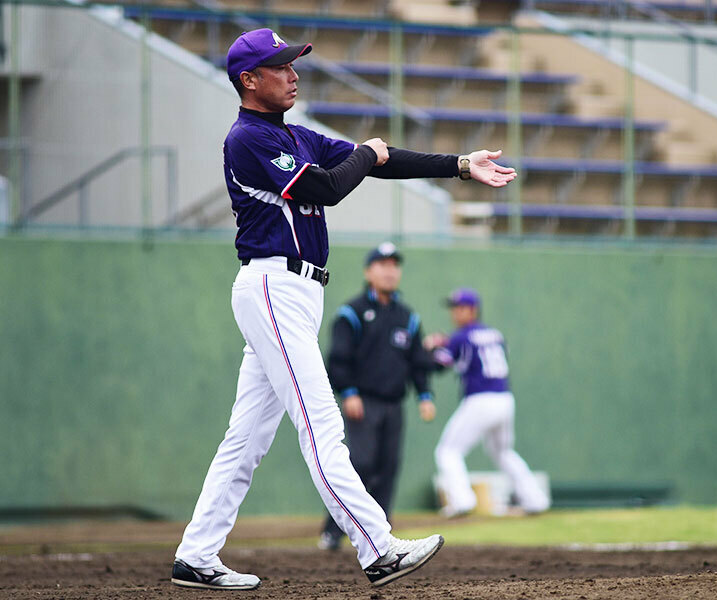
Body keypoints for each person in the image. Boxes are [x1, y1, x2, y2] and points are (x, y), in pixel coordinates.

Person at [171, 28, 516, 590]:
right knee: (321, 425)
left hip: (296, 294)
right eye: (280, 66)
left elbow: (379, 162)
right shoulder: (248, 139)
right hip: (272, 287)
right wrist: (365, 153)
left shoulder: (292, 135)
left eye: (292, 64)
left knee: (245, 439)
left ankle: (196, 553)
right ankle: (376, 546)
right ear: (249, 80)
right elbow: (329, 188)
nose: (293, 73)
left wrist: (457, 165)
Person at [317, 242, 437, 551]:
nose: (389, 271)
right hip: (363, 402)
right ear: (369, 271)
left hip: (393, 405)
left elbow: (417, 361)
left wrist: (424, 394)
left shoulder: (407, 317)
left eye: (394, 265)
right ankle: (333, 530)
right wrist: (349, 392)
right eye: (382, 264)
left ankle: (381, 539)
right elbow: (338, 358)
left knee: (388, 468)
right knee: (361, 464)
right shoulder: (352, 313)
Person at [424, 288, 550, 518]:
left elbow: (437, 365)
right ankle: (535, 499)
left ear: (472, 310)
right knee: (502, 451)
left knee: (447, 451)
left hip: (480, 399)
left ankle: (462, 500)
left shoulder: (461, 336)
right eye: (453, 308)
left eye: (458, 308)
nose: (454, 313)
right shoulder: (495, 334)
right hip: (504, 398)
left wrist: (430, 347)